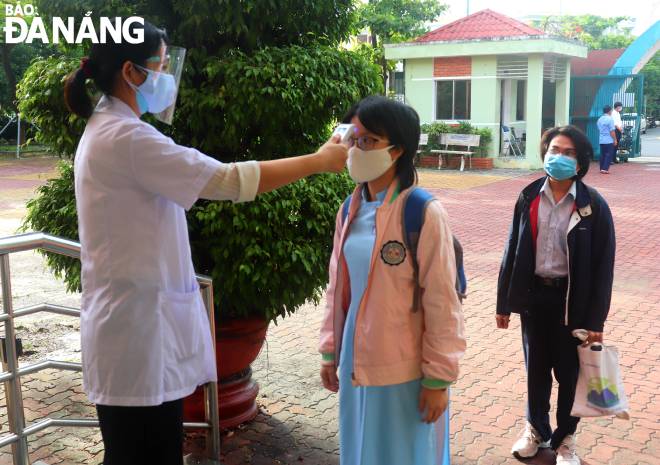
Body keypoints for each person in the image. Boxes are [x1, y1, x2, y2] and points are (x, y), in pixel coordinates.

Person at [63, 21, 348, 465]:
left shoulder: (110, 128)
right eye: (160, 66)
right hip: (138, 337)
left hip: (135, 330)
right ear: (131, 73)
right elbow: (228, 179)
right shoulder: (128, 138)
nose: (168, 77)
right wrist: (317, 161)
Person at [319, 96, 466, 465]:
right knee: (361, 448)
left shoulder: (422, 212)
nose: (354, 149)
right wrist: (330, 349)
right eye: (351, 138)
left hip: (405, 365)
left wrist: (438, 379)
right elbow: (338, 287)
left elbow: (442, 301)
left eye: (367, 140)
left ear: (397, 149)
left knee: (405, 453)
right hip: (357, 357)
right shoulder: (348, 210)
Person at [496, 125, 616, 465]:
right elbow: (512, 249)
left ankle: (565, 440)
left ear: (580, 163)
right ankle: (535, 430)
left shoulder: (594, 206)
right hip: (535, 299)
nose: (558, 156)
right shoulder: (528, 196)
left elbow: (603, 268)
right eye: (554, 149)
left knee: (569, 375)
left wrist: (595, 320)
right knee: (536, 371)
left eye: (568, 153)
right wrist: (504, 301)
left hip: (572, 304)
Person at [596, 105, 617, 174]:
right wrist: (615, 139)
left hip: (601, 139)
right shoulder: (610, 119)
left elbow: (599, 128)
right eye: (611, 110)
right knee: (609, 154)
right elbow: (612, 131)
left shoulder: (600, 119)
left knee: (603, 154)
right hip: (608, 140)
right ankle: (605, 169)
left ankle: (601, 168)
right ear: (609, 111)